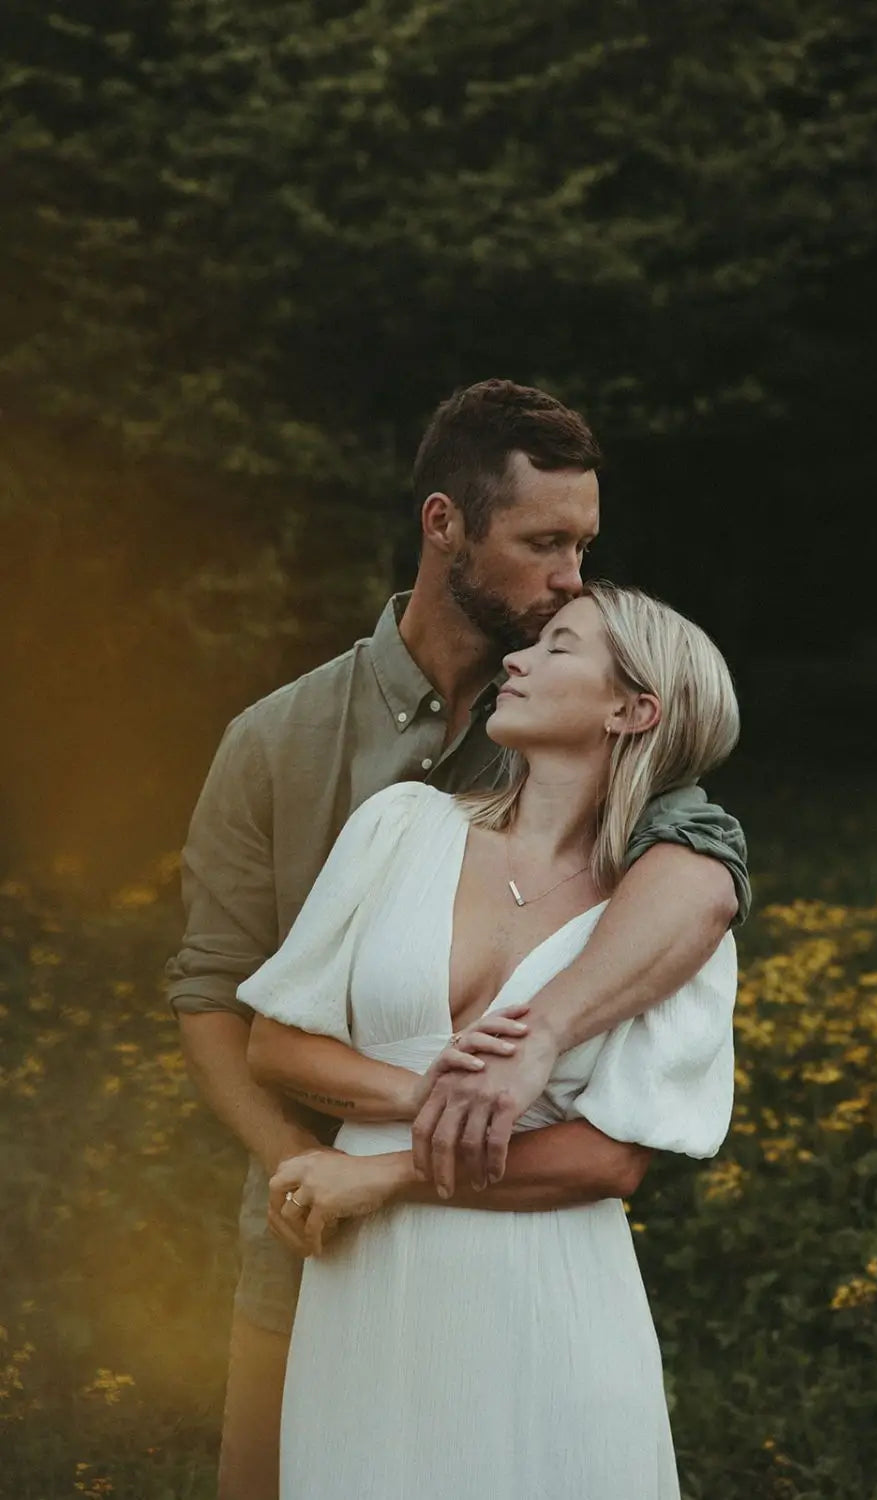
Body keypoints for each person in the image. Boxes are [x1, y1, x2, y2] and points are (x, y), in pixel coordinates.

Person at [166, 379, 750, 1500]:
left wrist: (534, 1048)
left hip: (511, 1245)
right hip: (303, 1227)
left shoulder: (588, 740)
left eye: (582, 545)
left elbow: (704, 874)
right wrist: (309, 1162)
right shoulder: (278, 742)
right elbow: (213, 995)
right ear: (446, 526)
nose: (569, 575)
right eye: (543, 543)